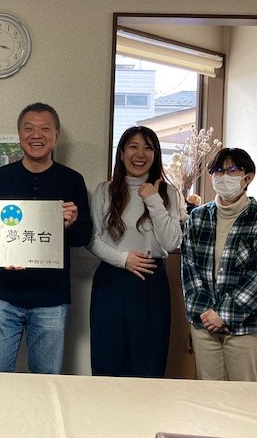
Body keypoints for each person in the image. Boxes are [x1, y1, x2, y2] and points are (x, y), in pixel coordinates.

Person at [0, 102, 92, 374]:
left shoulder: (72, 180)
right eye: (28, 128)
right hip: (4, 294)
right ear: (19, 135)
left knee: (46, 379)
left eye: (45, 129)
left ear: (56, 135)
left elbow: (84, 235)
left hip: (52, 297)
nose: (36, 135)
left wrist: (71, 224)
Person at [87, 126, 181, 378]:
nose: (140, 154)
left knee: (148, 362)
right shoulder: (104, 191)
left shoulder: (168, 193)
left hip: (151, 281)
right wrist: (123, 259)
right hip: (111, 280)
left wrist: (153, 199)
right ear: (121, 153)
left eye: (148, 148)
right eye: (133, 147)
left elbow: (171, 242)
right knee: (108, 359)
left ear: (155, 154)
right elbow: (92, 239)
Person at [181, 147, 257, 381]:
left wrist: (223, 315)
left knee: (244, 396)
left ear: (248, 177)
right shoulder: (198, 217)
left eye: (232, 170)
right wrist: (207, 313)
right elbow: (189, 269)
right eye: (218, 170)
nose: (223, 176)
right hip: (205, 323)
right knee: (209, 396)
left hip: (248, 324)